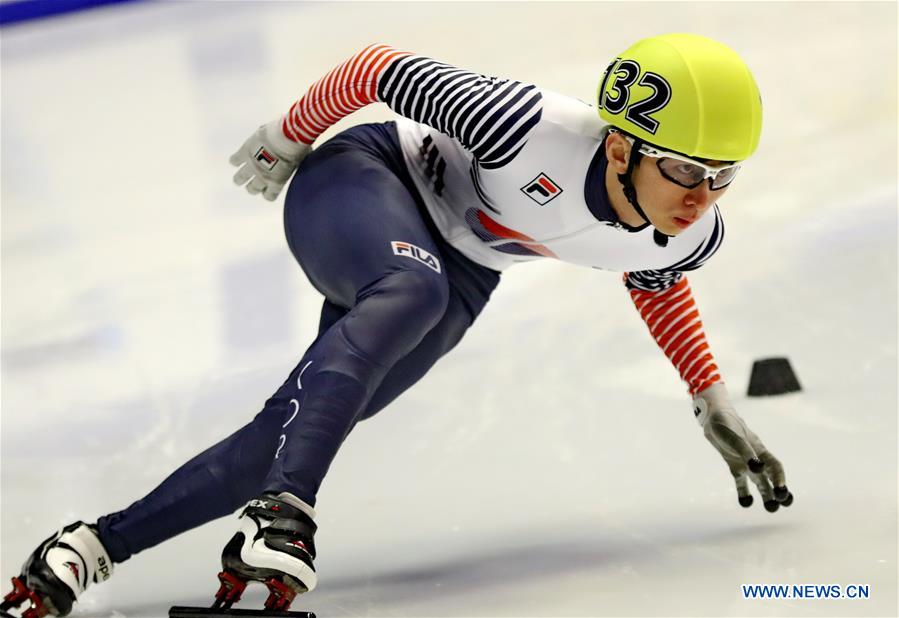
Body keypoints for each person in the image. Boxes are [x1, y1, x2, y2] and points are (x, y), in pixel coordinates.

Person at [2, 33, 793, 617]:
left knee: (302, 422)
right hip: (366, 178)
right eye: (683, 171)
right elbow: (379, 68)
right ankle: (285, 515)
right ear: (619, 147)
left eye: (721, 179)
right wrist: (289, 133)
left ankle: (87, 548)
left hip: (463, 269)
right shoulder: (522, 124)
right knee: (407, 291)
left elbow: (651, 276)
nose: (699, 196)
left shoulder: (692, 229)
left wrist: (707, 394)